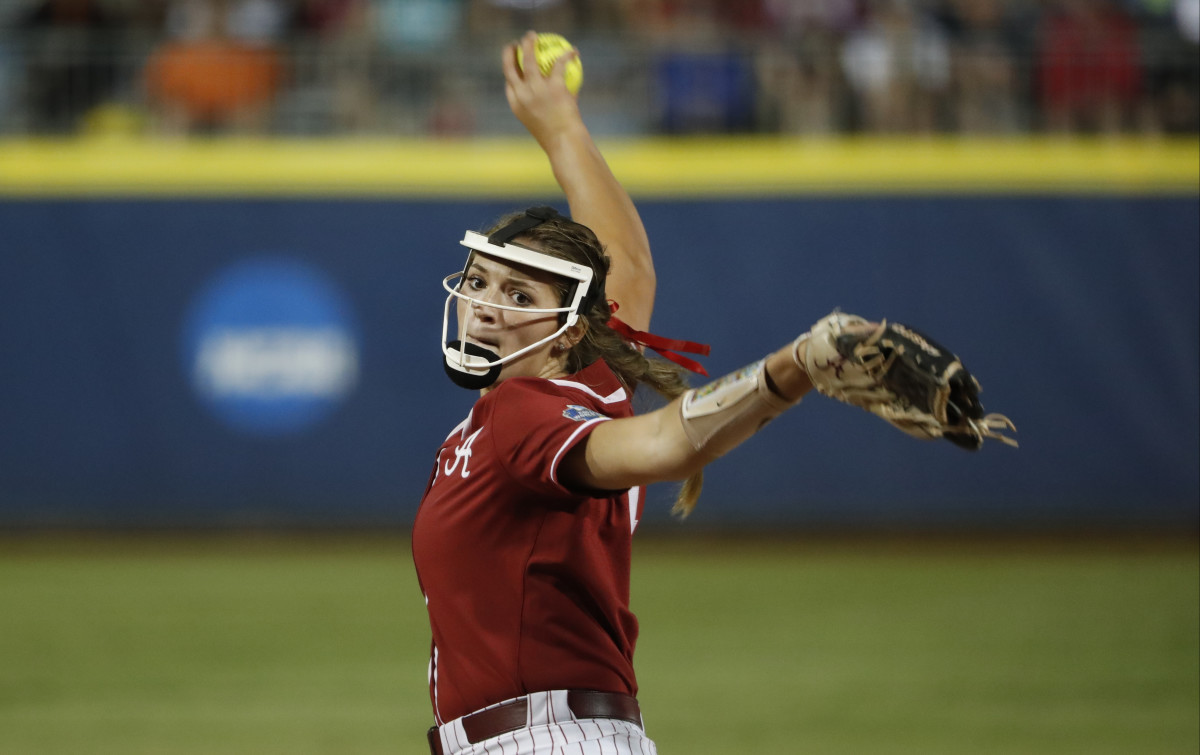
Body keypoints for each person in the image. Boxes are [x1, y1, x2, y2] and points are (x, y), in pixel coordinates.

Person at [412, 31, 868, 755]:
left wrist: (793, 367)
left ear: (564, 332)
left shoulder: (519, 414)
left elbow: (658, 443)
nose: (486, 303)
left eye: (518, 290)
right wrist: (561, 128)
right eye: (480, 281)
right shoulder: (580, 382)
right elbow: (626, 267)